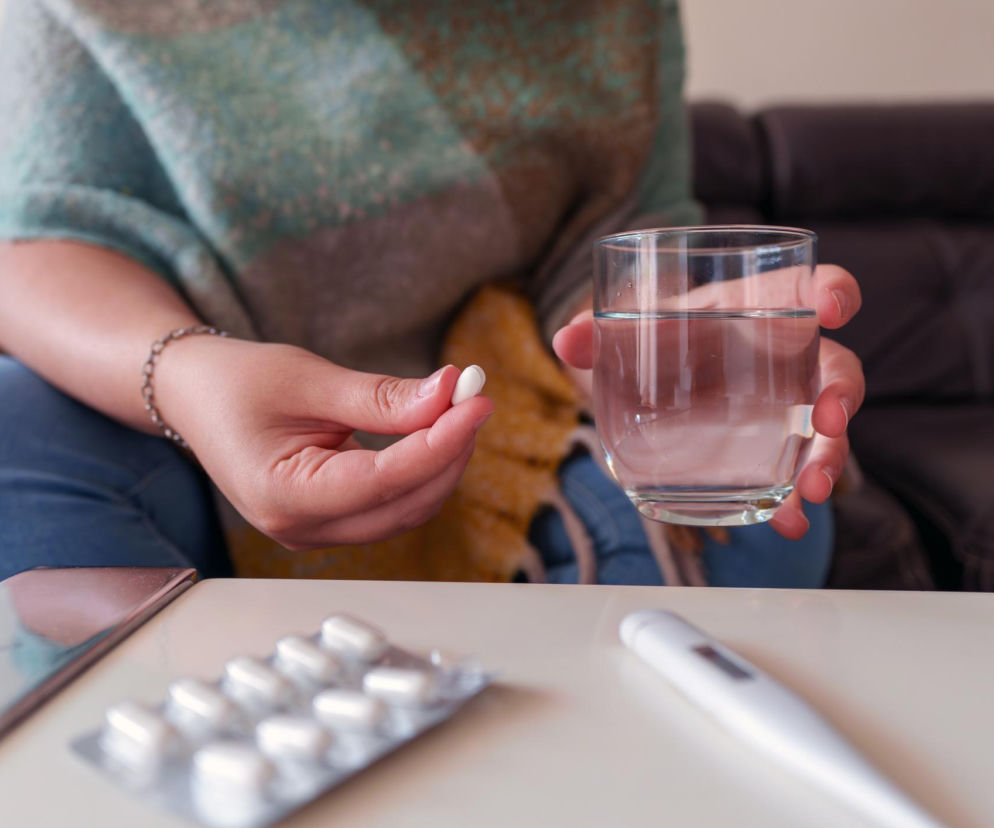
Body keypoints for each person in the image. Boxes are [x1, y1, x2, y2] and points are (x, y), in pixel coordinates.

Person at [0, 0, 864, 586]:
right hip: (174, 407)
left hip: (516, 408)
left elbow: (615, 235)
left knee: (754, 508)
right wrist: (189, 379)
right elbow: (36, 239)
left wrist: (664, 356)